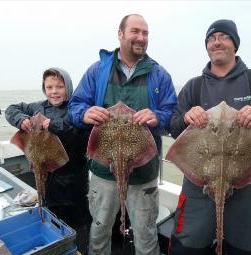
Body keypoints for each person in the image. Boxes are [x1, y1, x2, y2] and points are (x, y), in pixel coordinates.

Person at [169, 19, 251, 255]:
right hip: (200, 184)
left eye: (223, 37)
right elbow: (173, 126)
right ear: (206, 46)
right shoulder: (193, 87)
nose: (216, 42)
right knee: (187, 246)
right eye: (211, 38)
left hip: (247, 184)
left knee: (243, 248)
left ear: (235, 44)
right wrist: (186, 117)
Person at [68, 14, 177, 255]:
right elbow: (75, 106)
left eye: (145, 33)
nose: (141, 38)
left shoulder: (159, 75)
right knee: (99, 230)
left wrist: (158, 117)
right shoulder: (97, 72)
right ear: (120, 34)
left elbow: (173, 114)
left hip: (144, 171)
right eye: (135, 31)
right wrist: (85, 113)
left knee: (146, 233)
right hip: (103, 170)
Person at [5, 67, 91, 255]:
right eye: (49, 87)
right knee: (50, 217)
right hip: (46, 176)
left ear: (68, 87)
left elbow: (79, 135)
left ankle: (78, 248)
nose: (54, 91)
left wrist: (54, 126)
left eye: (59, 86)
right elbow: (11, 109)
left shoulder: (76, 109)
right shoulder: (37, 107)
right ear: (44, 89)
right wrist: (21, 119)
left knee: (79, 225)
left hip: (74, 180)